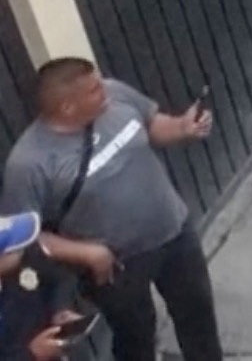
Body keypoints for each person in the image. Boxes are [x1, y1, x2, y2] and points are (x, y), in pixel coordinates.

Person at [2, 60, 222, 361]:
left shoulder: (116, 95)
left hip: (173, 233)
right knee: (137, 337)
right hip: (117, 266)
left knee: (198, 318)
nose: (105, 90)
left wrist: (183, 127)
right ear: (67, 107)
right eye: (94, 90)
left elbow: (152, 125)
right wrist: (87, 254)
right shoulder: (28, 163)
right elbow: (25, 236)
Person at [0, 210, 94, 361]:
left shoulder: (27, 254)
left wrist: (61, 309)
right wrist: (30, 354)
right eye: (12, 249)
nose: (21, 249)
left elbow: (59, 278)